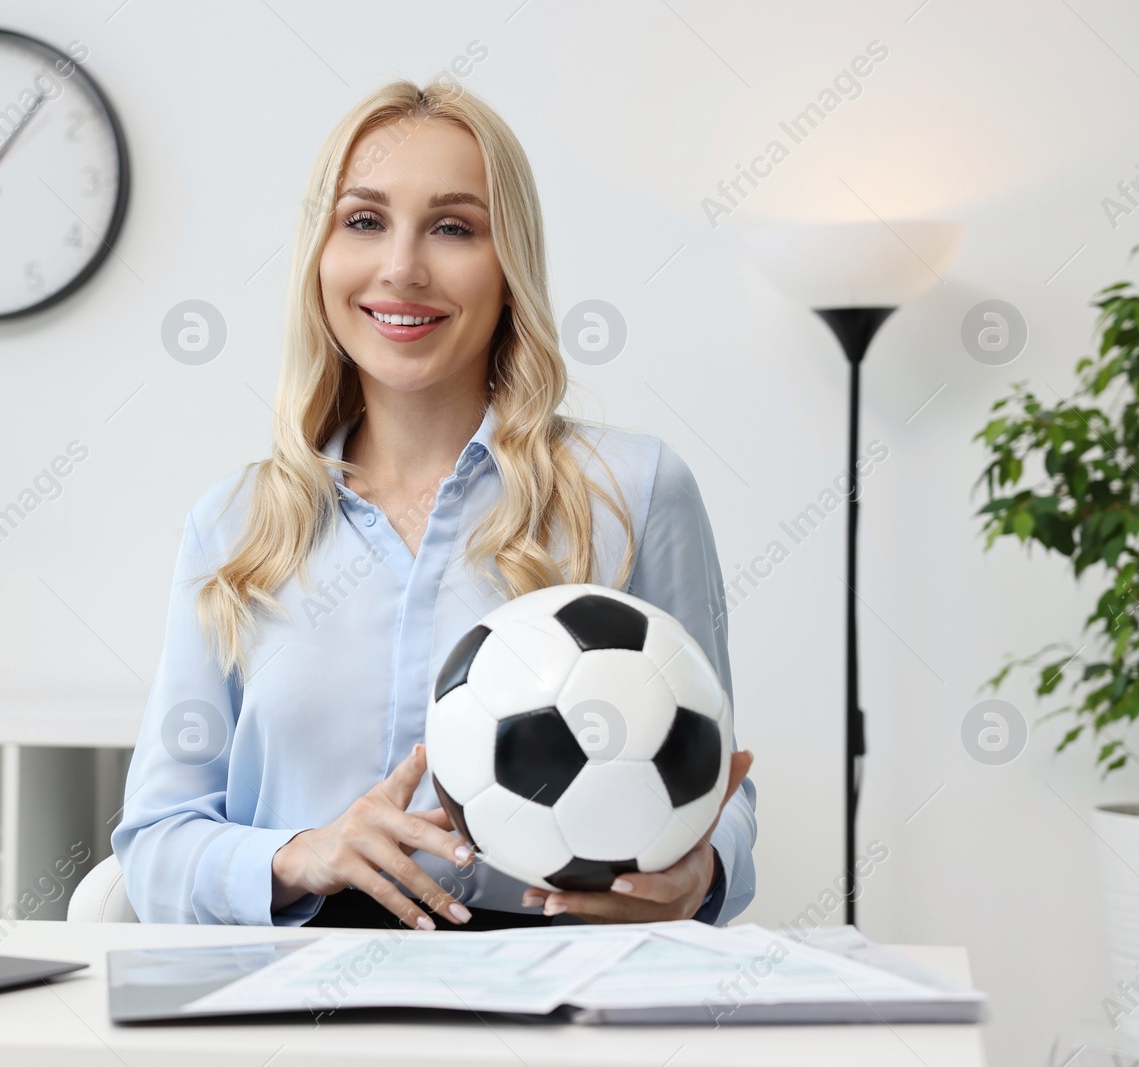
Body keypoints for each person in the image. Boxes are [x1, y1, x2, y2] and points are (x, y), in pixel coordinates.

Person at [112, 79, 755, 931]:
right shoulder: (236, 525)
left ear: (509, 263)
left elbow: (720, 797)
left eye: (453, 227)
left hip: (555, 994)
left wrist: (702, 871)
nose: (402, 269)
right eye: (364, 221)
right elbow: (154, 843)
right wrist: (301, 853)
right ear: (320, 255)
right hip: (288, 1002)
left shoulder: (635, 493)